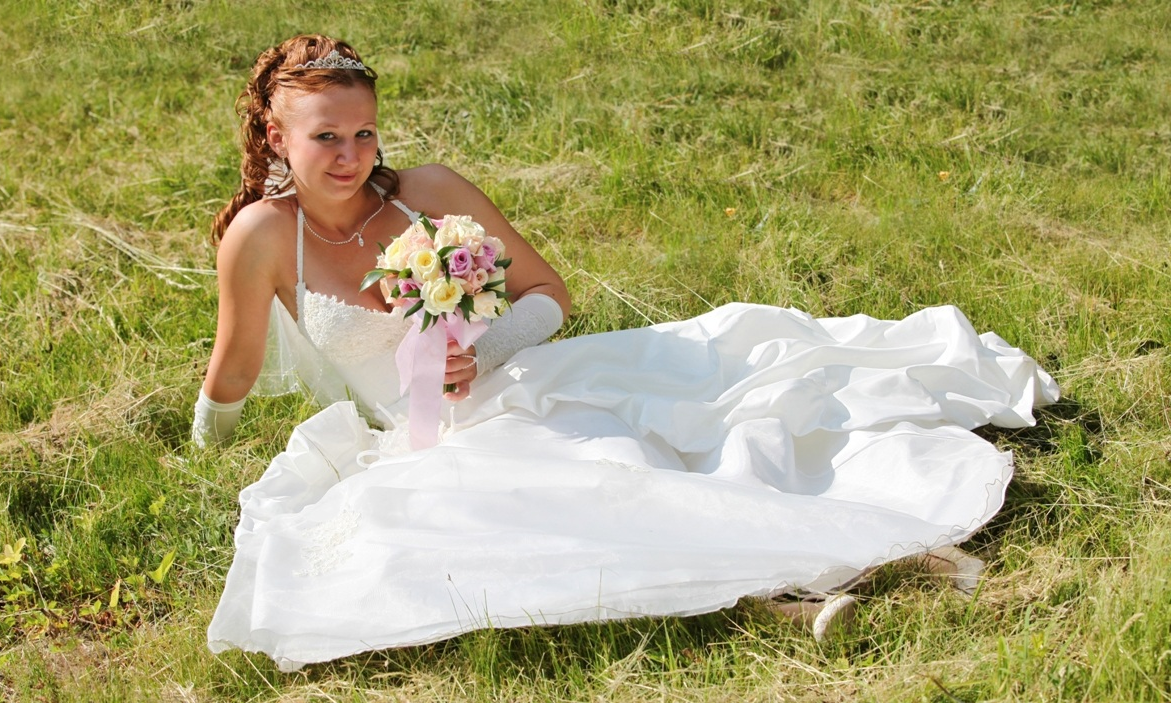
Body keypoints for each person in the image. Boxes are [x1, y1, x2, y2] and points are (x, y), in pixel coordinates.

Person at [198, 35, 1060, 672]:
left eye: (365, 134)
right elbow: (233, 366)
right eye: (325, 138)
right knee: (534, 511)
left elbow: (550, 295)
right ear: (277, 138)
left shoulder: (431, 194)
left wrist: (477, 347)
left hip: (517, 383)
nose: (351, 156)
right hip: (417, 434)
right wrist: (206, 440)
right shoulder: (263, 237)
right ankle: (792, 601)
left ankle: (860, 556)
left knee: (621, 461)